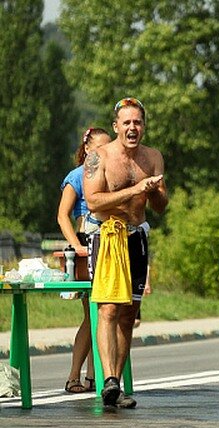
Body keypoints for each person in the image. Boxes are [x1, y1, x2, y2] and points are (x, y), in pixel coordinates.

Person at [83, 97, 168, 409]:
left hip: (137, 238)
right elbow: (93, 202)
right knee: (108, 309)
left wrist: (156, 191)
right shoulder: (99, 157)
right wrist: (135, 189)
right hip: (107, 237)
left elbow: (160, 207)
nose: (133, 128)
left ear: (143, 126)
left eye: (138, 122)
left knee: (129, 314)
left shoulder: (153, 157)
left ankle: (115, 384)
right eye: (127, 122)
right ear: (116, 125)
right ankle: (106, 378)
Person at [57, 127, 111, 393]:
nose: (104, 154)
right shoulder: (77, 176)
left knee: (104, 314)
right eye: (99, 149)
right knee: (94, 315)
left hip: (108, 245)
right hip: (85, 247)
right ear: (88, 149)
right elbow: (62, 215)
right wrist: (77, 246)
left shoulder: (111, 174)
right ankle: (74, 376)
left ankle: (93, 376)